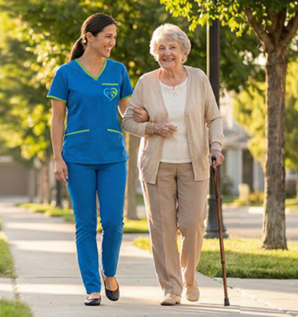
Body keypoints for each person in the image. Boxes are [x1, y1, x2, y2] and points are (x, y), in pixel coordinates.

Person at [120, 23, 225, 306]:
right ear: (155, 53)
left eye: (172, 47)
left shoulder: (199, 78)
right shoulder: (146, 83)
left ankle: (188, 277)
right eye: (161, 48)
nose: (166, 53)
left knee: (193, 225)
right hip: (157, 165)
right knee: (163, 228)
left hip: (194, 163)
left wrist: (215, 146)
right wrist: (153, 127)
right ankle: (171, 288)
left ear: (183, 51)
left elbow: (213, 118)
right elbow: (128, 121)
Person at [47, 13, 134, 306]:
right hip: (77, 158)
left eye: (114, 37)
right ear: (90, 37)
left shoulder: (119, 71)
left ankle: (109, 273)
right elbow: (57, 120)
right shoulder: (65, 73)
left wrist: (152, 113)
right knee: (85, 224)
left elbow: (130, 112)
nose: (113, 42)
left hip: (112, 157)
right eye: (108, 36)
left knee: (113, 222)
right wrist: (58, 157)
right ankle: (92, 287)